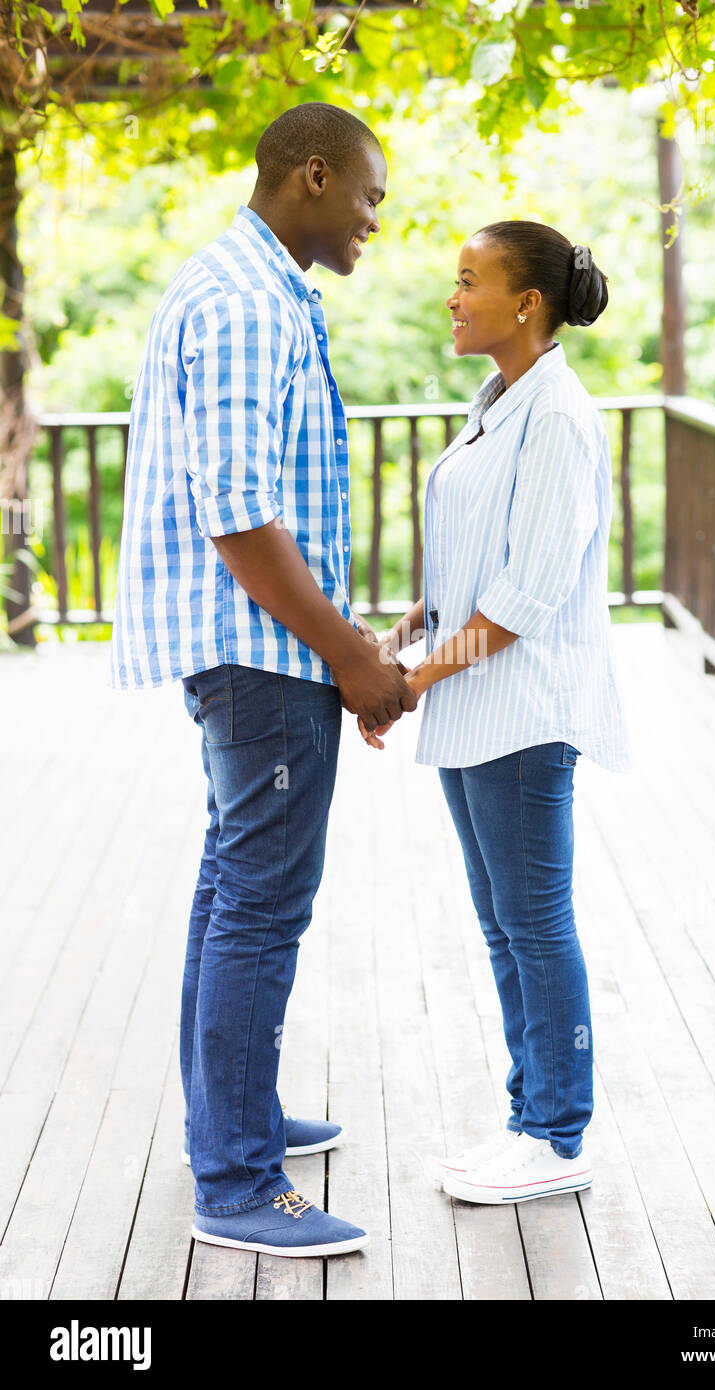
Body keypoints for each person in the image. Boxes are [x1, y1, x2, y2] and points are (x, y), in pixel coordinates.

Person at [110, 103, 416, 1258]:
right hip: (263, 657)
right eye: (371, 197)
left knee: (229, 888)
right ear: (313, 173)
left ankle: (229, 1114)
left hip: (257, 655)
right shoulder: (243, 302)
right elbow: (237, 513)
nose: (377, 221)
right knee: (259, 904)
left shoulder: (257, 286)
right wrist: (349, 654)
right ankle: (235, 1180)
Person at [361, 220, 631, 1204]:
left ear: (528, 304)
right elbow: (468, 573)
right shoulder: (500, 402)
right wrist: (393, 643)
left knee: (533, 922)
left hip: (521, 713)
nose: (452, 296)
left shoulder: (556, 414)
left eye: (469, 281)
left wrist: (412, 682)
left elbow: (523, 595)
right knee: (502, 923)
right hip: (476, 710)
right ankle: (529, 1118)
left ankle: (557, 1135)